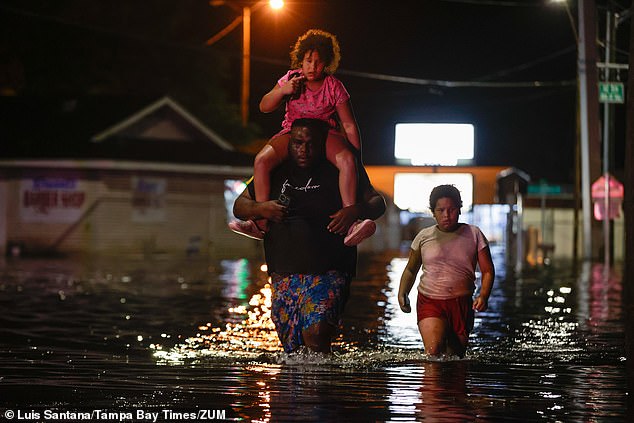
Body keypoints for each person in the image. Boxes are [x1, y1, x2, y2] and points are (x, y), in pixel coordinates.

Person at [233, 118, 385, 353]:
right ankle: (304, 389)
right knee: (292, 349)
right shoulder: (275, 169)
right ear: (288, 143)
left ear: (323, 143)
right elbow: (240, 205)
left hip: (330, 271)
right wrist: (261, 209)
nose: (304, 150)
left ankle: (319, 387)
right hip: (284, 274)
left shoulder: (340, 167)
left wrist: (354, 210)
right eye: (297, 143)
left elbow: (377, 202)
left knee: (316, 335)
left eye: (311, 144)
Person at [230, 29, 374, 246]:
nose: (312, 67)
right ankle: (259, 222)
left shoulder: (333, 86)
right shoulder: (290, 79)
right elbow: (264, 106)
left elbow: (348, 124)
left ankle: (352, 221)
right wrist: (283, 91)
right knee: (261, 160)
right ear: (300, 60)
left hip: (324, 134)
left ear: (327, 63)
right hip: (292, 132)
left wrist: (356, 157)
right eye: (308, 61)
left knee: (346, 161)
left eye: (318, 62)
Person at [397, 184, 495, 358]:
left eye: (452, 209)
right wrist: (402, 293)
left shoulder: (474, 234)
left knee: (455, 359)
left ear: (459, 210)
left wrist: (483, 295)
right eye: (440, 210)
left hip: (462, 303)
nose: (446, 215)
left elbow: (487, 270)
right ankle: (430, 385)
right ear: (433, 212)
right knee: (434, 353)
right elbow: (411, 269)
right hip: (430, 301)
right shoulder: (423, 237)